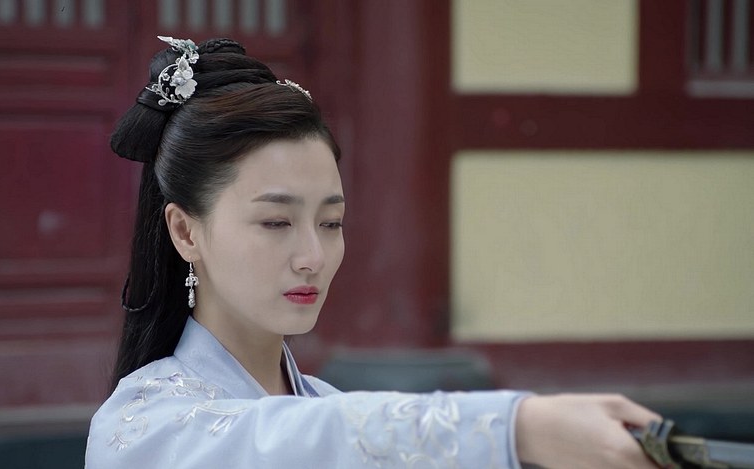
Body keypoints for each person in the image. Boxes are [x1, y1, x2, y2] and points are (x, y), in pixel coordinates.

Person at [85, 36, 661, 468]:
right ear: (185, 232)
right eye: (276, 221)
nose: (313, 255)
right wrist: (518, 427)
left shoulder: (330, 406)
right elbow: (297, 440)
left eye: (331, 222)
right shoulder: (143, 425)